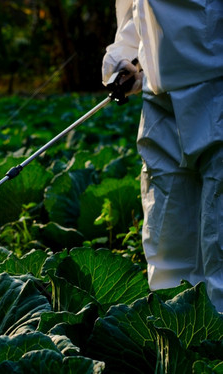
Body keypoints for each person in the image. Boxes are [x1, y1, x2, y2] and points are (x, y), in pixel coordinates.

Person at [102, 0, 223, 312]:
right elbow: (139, 7)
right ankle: (179, 344)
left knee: (220, 237)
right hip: (160, 101)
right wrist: (124, 59)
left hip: (216, 89)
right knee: (166, 240)